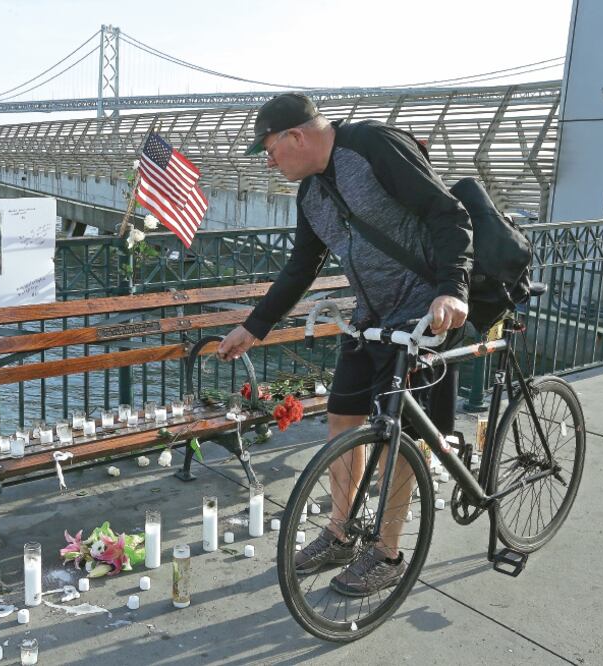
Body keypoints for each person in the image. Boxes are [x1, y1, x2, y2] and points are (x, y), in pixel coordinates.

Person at [217, 93, 473, 598]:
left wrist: (453, 288)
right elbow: (301, 266)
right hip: (371, 318)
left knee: (398, 434)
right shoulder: (310, 193)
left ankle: (388, 551)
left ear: (297, 136)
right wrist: (255, 326)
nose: (268, 162)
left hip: (425, 313)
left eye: (269, 150)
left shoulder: (372, 147)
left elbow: (449, 213)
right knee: (342, 416)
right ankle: (340, 531)